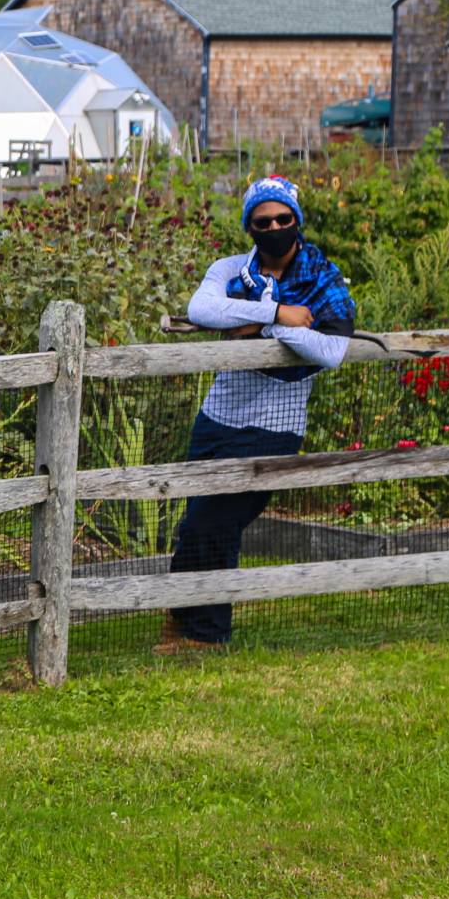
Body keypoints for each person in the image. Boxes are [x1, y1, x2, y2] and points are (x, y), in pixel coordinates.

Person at [159, 175, 353, 654]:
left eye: (283, 219)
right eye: (263, 221)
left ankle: (206, 634)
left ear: (296, 220)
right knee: (194, 522)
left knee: (216, 522)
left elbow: (331, 348)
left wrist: (255, 327)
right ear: (250, 226)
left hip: (274, 426)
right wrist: (279, 315)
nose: (274, 227)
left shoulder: (325, 278)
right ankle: (180, 620)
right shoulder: (229, 269)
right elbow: (200, 308)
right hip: (218, 416)